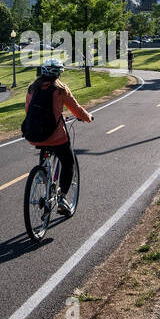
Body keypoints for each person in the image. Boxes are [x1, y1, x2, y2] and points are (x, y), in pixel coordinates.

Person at [21, 57, 93, 216]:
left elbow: (28, 110)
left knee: (45, 147)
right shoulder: (61, 89)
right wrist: (87, 117)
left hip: (34, 134)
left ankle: (43, 176)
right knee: (68, 162)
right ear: (60, 73)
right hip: (56, 137)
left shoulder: (32, 88)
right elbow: (76, 109)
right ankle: (62, 198)